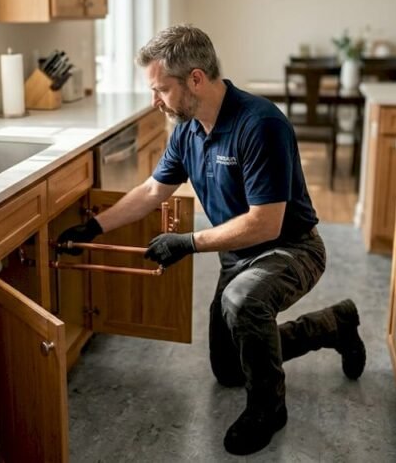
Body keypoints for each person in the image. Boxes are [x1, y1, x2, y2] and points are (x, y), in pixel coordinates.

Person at [58, 24, 366, 455]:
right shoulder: (187, 130)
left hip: (291, 248)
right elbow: (151, 191)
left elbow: (266, 223)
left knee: (243, 302)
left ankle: (269, 409)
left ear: (196, 79)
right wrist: (95, 227)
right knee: (228, 368)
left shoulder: (260, 124)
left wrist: (187, 242)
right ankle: (333, 324)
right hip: (237, 257)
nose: (155, 101)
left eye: (162, 89)